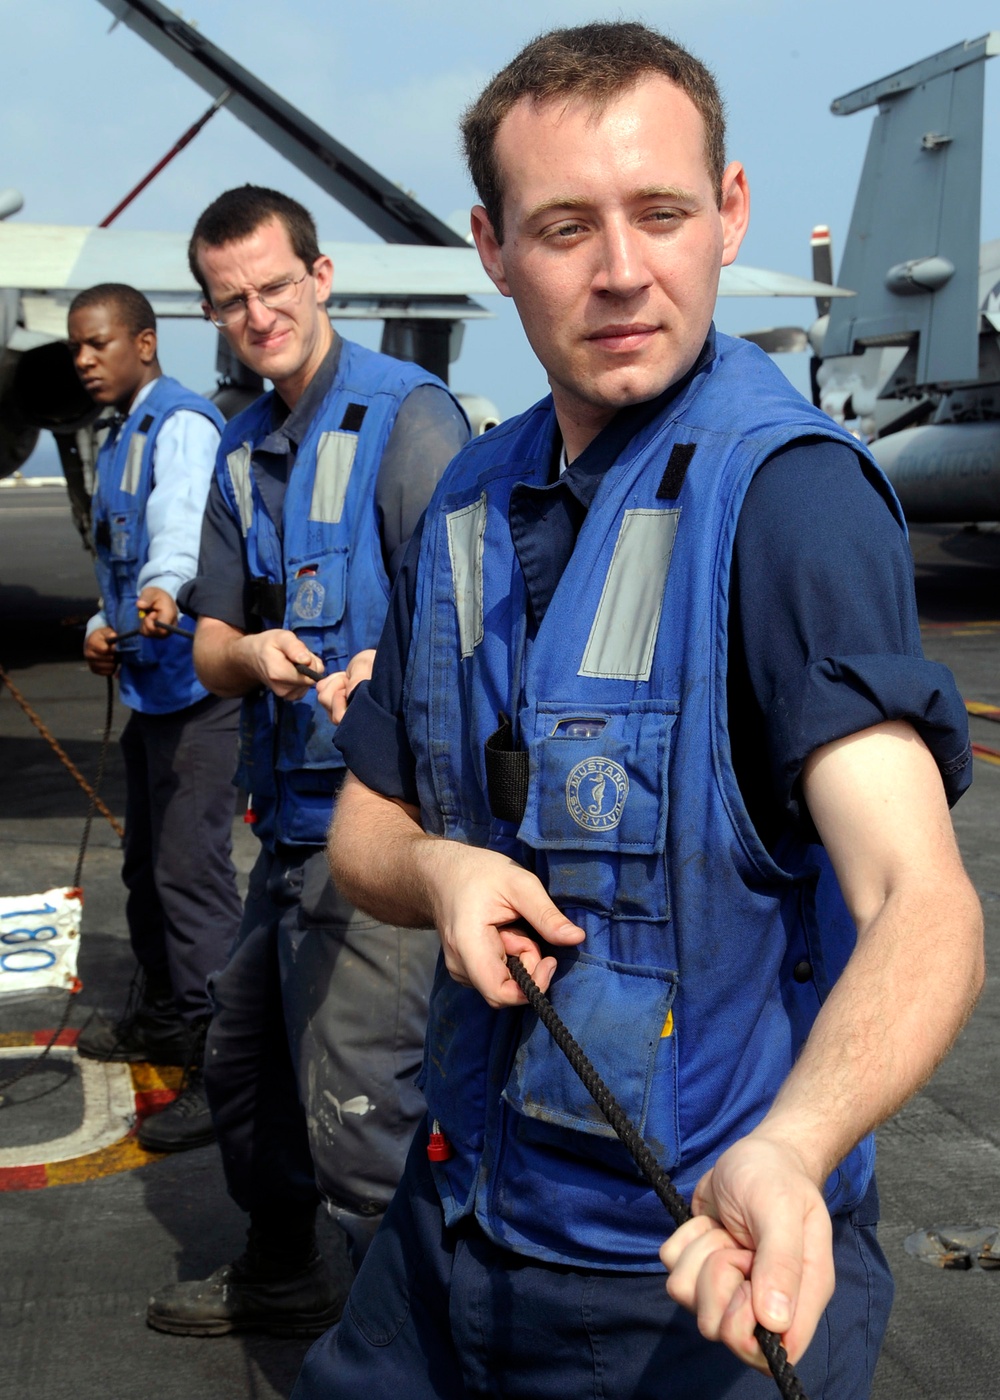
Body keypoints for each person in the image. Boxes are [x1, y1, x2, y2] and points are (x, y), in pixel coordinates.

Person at [296, 22, 985, 1400]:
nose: (621, 271)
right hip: (453, 1232)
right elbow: (363, 831)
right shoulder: (470, 500)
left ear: (726, 214)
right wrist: (441, 870)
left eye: (660, 213)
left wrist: (791, 1151)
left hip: (680, 1284)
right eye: (564, 226)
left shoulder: (788, 503)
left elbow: (923, 898)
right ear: (492, 249)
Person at [145, 186, 470, 1339]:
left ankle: (422, 1349)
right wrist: (253, 651)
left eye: (275, 288)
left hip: (378, 828)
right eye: (231, 300)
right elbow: (209, 639)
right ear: (209, 314)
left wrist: (384, 664)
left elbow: (477, 617)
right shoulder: (239, 452)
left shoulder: (408, 419)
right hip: (282, 830)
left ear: (320, 279)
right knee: (243, 1065)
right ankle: (286, 1269)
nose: (258, 313)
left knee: (363, 1112)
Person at [68, 283, 242, 1155]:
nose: (83, 360)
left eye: (97, 344)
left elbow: (174, 536)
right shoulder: (120, 432)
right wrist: (105, 628)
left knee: (191, 878)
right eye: (75, 349)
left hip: (194, 694)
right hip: (148, 685)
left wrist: (166, 592)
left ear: (144, 342)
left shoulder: (179, 425)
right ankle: (168, 1021)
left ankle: (222, 1063)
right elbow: (121, 559)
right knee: (144, 869)